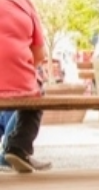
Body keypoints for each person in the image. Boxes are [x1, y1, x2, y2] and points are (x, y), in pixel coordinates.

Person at [0, 0, 53, 174]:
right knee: (35, 95)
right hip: (19, 82)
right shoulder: (26, 5)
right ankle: (17, 147)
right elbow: (39, 54)